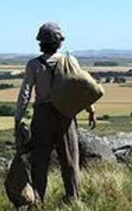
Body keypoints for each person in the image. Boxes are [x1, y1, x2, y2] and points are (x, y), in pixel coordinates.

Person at [14, 22, 97, 203]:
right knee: (70, 162)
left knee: (39, 163)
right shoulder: (70, 61)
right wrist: (91, 110)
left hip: (42, 116)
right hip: (65, 115)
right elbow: (81, 88)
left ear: (41, 42)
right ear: (59, 42)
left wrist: (18, 118)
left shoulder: (33, 65)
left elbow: (25, 93)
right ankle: (73, 200)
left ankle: (38, 201)